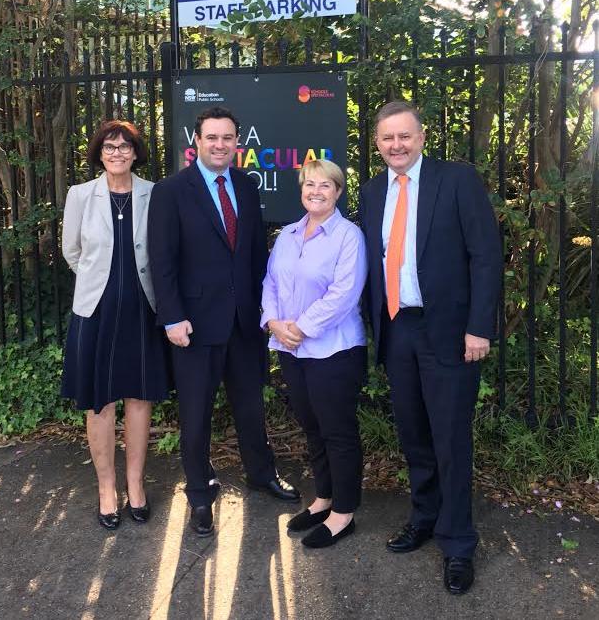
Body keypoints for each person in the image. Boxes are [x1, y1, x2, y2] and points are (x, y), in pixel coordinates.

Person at [359, 101, 502, 595]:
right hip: (397, 328)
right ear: (377, 144)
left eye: (405, 136)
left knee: (450, 439)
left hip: (449, 331)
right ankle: (425, 518)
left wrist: (479, 327)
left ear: (421, 137)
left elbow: (485, 256)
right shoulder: (373, 191)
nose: (396, 145)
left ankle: (459, 543)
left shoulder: (456, 180)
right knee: (415, 434)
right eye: (387, 138)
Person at [147, 106, 300, 538]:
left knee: (250, 406)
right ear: (196, 142)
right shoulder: (171, 191)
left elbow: (254, 257)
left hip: (244, 321)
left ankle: (261, 473)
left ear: (237, 143)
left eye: (227, 138)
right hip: (194, 324)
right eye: (211, 137)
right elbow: (162, 261)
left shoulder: (247, 187)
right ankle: (199, 493)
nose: (219, 145)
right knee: (195, 415)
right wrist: (172, 317)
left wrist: (266, 312)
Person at [61, 120, 168, 530]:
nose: (118, 153)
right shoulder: (80, 196)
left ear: (136, 152)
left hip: (143, 308)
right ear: (99, 153)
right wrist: (99, 281)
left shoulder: (153, 193)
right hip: (96, 312)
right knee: (99, 400)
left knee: (140, 397)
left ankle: (135, 485)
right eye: (110, 147)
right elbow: (72, 251)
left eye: (125, 146)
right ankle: (107, 488)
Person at [261, 159, 367, 549]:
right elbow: (270, 281)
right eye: (309, 185)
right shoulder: (287, 235)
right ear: (301, 190)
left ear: (338, 192)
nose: (316, 191)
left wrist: (301, 327)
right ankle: (324, 498)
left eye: (326, 185)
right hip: (291, 349)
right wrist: (273, 322)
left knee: (337, 431)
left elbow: (344, 294)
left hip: (333, 350)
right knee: (312, 426)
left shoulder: (348, 236)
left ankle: (344, 513)